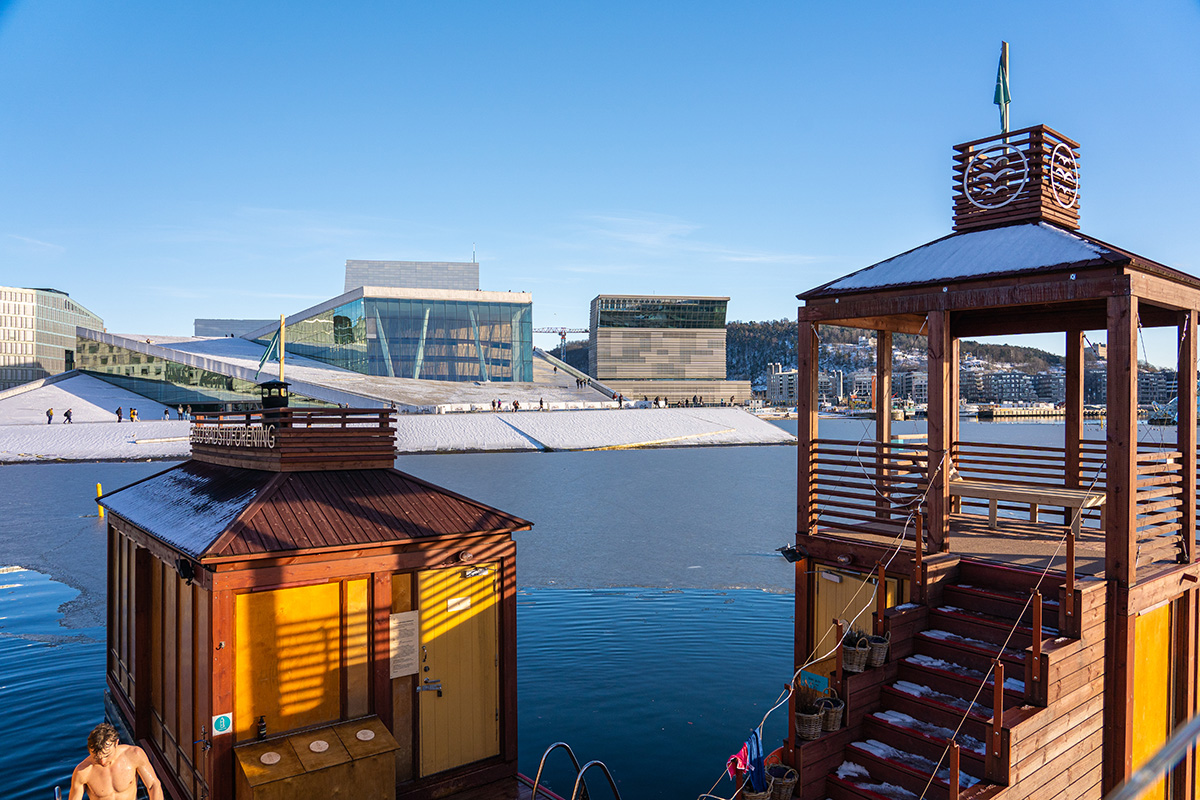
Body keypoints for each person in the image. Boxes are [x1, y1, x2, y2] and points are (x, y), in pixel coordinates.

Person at [69, 722, 162, 800]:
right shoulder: (82, 772)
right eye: (96, 757)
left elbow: (153, 785)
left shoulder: (134, 755)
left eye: (107, 755)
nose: (103, 762)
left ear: (116, 743)